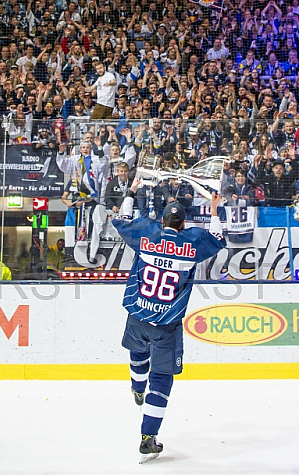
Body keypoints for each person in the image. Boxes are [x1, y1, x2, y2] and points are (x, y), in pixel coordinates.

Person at [112, 179, 226, 463]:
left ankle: (137, 387)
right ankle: (148, 436)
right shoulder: (192, 242)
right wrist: (214, 211)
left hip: (138, 314)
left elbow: (121, 220)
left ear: (161, 220)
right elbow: (219, 240)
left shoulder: (147, 232)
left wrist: (130, 192)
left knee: (138, 353)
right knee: (161, 380)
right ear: (184, 224)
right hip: (167, 324)